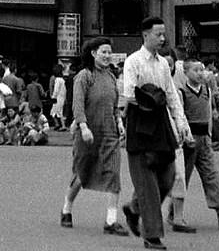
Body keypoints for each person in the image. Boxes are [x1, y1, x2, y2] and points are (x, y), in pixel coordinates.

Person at [121, 16, 192, 251]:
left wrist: (181, 123)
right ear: (145, 35)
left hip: (161, 123)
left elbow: (171, 94)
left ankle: (134, 209)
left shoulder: (163, 63)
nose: (162, 38)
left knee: (167, 176)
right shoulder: (133, 61)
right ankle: (152, 236)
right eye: (158, 34)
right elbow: (129, 93)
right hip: (140, 121)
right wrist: (150, 95)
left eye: (164, 34)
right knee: (147, 183)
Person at [62, 38, 128, 235]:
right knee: (82, 174)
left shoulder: (111, 77)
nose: (107, 56)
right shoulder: (84, 76)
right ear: (93, 53)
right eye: (103, 52)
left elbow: (114, 105)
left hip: (109, 133)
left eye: (109, 52)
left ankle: (111, 221)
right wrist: (83, 127)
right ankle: (66, 209)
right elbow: (78, 105)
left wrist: (119, 123)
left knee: (114, 174)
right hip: (88, 133)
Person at [170, 60, 219, 233]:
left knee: (211, 176)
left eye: (202, 70)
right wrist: (185, 138)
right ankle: (174, 213)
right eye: (195, 70)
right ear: (185, 72)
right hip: (189, 140)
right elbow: (180, 116)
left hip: (204, 140)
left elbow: (208, 114)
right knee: (182, 178)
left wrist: (209, 136)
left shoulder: (207, 91)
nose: (200, 73)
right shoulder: (181, 93)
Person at [49, 63, 67, 131]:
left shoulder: (57, 80)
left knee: (57, 112)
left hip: (57, 98)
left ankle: (62, 125)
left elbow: (56, 90)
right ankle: (59, 124)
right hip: (61, 98)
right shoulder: (62, 80)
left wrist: (53, 97)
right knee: (56, 112)